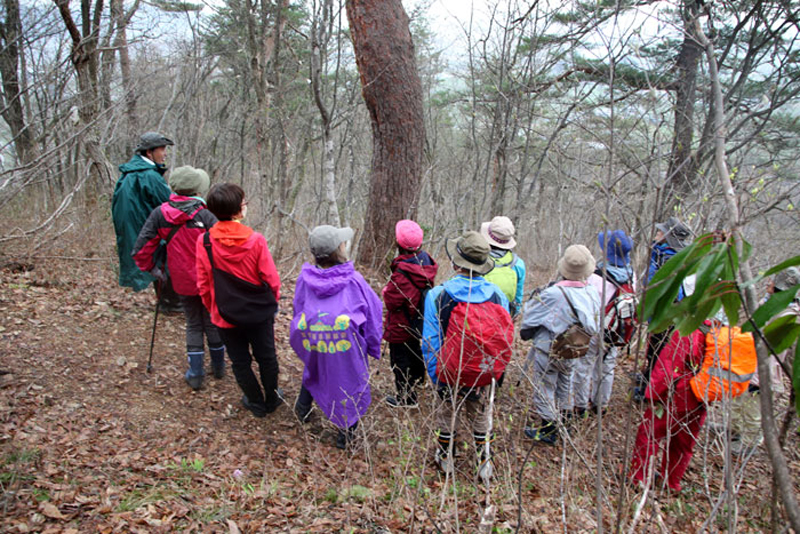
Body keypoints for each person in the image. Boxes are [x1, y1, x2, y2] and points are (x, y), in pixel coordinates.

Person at [422, 231, 512, 481]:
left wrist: (436, 374)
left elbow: (430, 341)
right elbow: (503, 338)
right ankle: (484, 461)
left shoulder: (438, 295)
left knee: (446, 413)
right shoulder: (497, 295)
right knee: (481, 414)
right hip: (484, 369)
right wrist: (496, 373)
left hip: (448, 370)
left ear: (455, 262)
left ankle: (446, 457)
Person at [290, 225, 383, 450]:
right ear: (339, 249)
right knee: (349, 382)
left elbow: (298, 310)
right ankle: (346, 436)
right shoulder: (354, 280)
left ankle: (302, 409)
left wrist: (307, 338)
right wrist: (372, 345)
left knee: (315, 368)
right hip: (346, 347)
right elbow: (373, 312)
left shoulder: (305, 278)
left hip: (314, 340)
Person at [132, 166, 223, 390]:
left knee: (193, 323)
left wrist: (153, 269)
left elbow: (141, 249)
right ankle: (219, 367)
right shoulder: (206, 215)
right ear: (197, 189)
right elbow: (223, 247)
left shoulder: (160, 214)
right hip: (209, 279)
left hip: (180, 280)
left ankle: (196, 374)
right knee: (211, 321)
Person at [196, 183, 282, 417]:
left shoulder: (205, 241)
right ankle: (272, 399)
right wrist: (271, 304)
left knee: (239, 361)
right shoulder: (256, 240)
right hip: (258, 313)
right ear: (238, 210)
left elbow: (203, 283)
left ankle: (255, 403)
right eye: (244, 202)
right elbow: (271, 279)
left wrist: (214, 308)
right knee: (267, 357)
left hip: (224, 313)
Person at [521, 245, 600, 445]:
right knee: (566, 383)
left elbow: (530, 318)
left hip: (549, 347)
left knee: (545, 386)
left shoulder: (554, 293)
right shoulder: (592, 292)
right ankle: (565, 423)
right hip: (576, 348)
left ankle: (549, 429)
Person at [629, 322, 711, 493]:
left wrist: (654, 393)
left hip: (677, 394)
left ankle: (638, 478)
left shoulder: (689, 330)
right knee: (683, 443)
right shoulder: (718, 334)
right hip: (702, 397)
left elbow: (670, 364)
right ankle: (671, 483)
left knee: (649, 433)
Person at [729, 267, 798, 455]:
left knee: (753, 410)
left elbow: (783, 351)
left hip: (763, 372)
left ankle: (749, 443)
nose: (769, 283)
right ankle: (733, 430)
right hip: (746, 363)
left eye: (773, 282)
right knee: (737, 400)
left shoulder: (789, 316)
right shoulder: (767, 304)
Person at [112, 132, 180, 310]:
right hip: (146, 229)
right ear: (149, 152)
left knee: (157, 259)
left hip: (137, 229)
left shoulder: (130, 173)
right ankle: (170, 302)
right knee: (168, 255)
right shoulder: (148, 175)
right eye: (162, 149)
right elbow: (169, 205)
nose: (165, 154)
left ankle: (167, 300)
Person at [573, 230, 636, 416]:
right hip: (616, 329)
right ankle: (601, 404)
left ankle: (580, 405)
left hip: (594, 328)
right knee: (607, 366)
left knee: (584, 365)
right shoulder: (631, 274)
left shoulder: (596, 276)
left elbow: (586, 304)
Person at [634, 217, 693, 400]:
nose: (657, 233)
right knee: (654, 349)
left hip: (666, 314)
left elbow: (670, 289)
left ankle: (649, 390)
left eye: (661, 231)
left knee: (659, 351)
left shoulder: (670, 258)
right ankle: (647, 378)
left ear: (669, 236)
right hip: (660, 312)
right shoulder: (662, 252)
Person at [382, 220, 438, 408]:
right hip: (418, 319)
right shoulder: (426, 262)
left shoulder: (402, 272)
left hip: (401, 323)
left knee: (400, 360)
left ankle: (407, 398)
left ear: (398, 244)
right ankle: (419, 381)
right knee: (414, 350)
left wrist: (385, 291)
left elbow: (392, 301)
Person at [480, 216, 526, 317]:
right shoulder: (518, 263)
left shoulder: (478, 259)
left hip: (478, 314)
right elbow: (518, 296)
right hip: (504, 315)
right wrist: (515, 313)